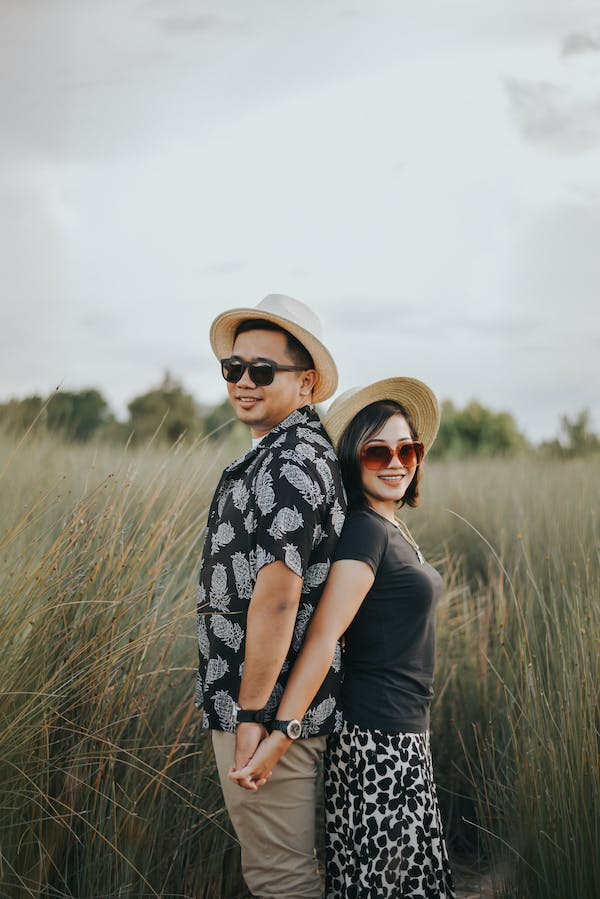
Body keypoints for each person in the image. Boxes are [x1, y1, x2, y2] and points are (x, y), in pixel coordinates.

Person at [230, 377, 456, 899]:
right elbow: (324, 637)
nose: (397, 462)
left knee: (404, 878)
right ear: (354, 460)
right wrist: (280, 736)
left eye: (408, 448)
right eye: (378, 453)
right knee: (389, 882)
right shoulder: (364, 532)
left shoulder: (389, 525)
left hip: (403, 734)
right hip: (377, 742)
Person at [196, 294, 347, 898]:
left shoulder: (287, 464)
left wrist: (253, 717)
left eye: (263, 371)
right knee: (288, 869)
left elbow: (279, 599)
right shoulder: (291, 454)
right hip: (279, 705)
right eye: (234, 368)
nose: (243, 382)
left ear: (306, 383)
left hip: (267, 709)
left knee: (279, 878)